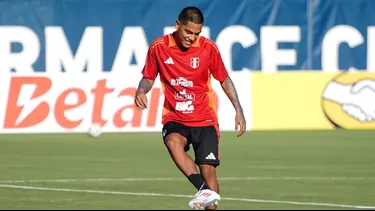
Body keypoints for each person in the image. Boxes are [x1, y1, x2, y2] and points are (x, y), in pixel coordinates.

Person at [134, 6, 246, 210]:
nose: (191, 38)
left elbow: (224, 79)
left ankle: (207, 193)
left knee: (208, 171)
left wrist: (239, 110)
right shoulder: (158, 47)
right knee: (172, 142)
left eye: (196, 34)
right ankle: (202, 189)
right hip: (175, 117)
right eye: (188, 32)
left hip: (204, 118)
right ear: (178, 25)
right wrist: (141, 91)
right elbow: (148, 77)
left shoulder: (208, 48)